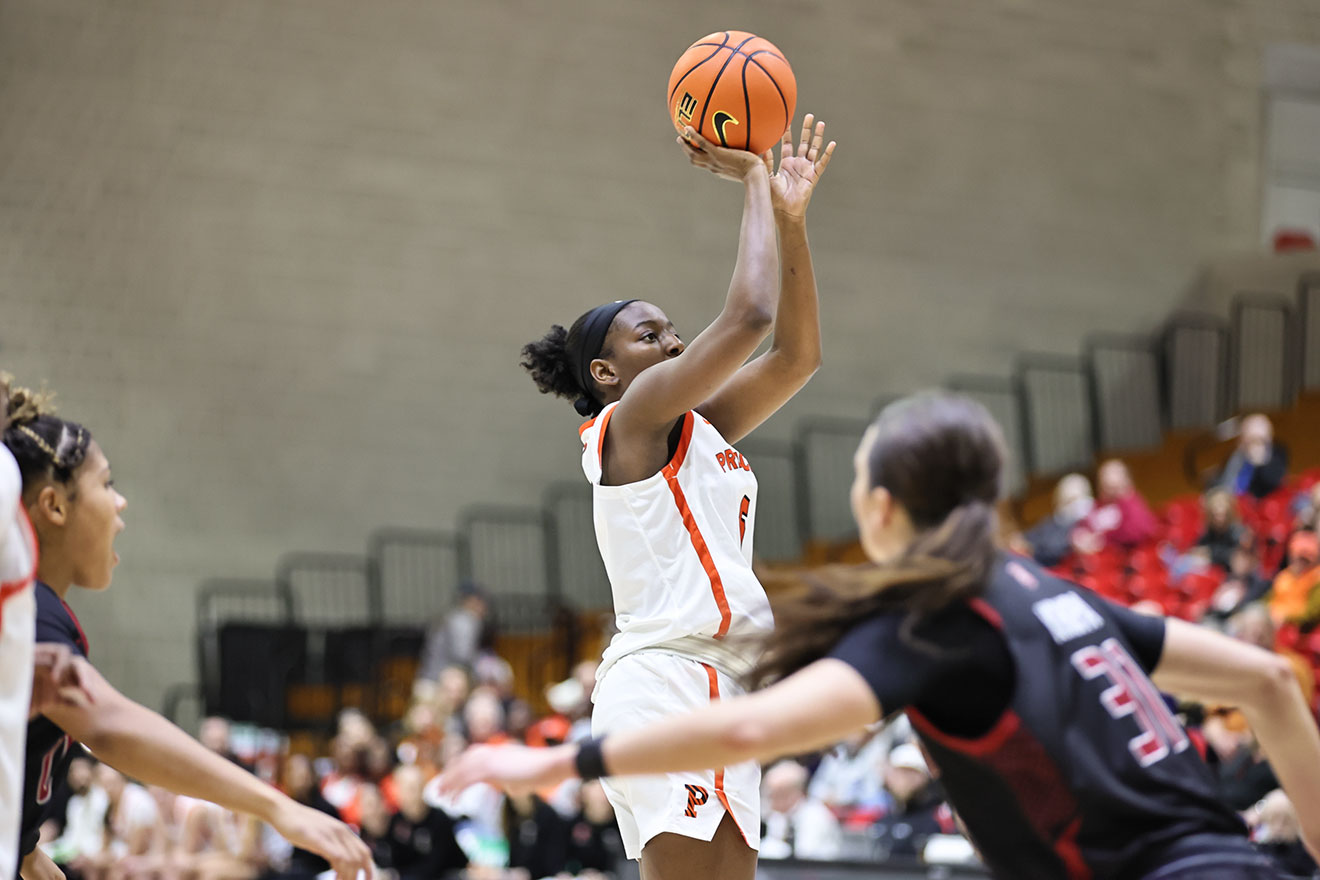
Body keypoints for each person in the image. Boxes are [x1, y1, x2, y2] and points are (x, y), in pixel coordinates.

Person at [441, 391, 1320, 880]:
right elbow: (1272, 686)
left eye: (859, 471)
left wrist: (563, 761)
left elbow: (751, 727)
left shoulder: (935, 624)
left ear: (882, 506)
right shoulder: (1052, 593)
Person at [515, 116, 835, 879]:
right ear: (605, 374)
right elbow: (752, 317)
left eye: (672, 329)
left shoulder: (701, 426)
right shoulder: (631, 426)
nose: (673, 342)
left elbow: (797, 354)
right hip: (660, 680)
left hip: (730, 682)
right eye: (648, 335)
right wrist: (755, 180)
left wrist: (791, 223)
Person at [1, 379, 371, 880]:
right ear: (55, 506)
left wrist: (26, 853)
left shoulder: (39, 614)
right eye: (107, 484)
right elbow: (109, 726)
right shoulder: (32, 610)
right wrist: (279, 808)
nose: (121, 503)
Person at [758, 760, 841, 860]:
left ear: (789, 795)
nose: (769, 802)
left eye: (772, 796)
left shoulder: (815, 817)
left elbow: (807, 856)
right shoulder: (778, 817)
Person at [1072, 459, 1159, 554]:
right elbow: (1084, 527)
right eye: (1105, 486)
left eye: (1114, 487)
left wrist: (1102, 539)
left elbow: (1138, 533)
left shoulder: (1133, 505)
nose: (1109, 491)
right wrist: (1080, 537)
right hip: (1094, 562)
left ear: (1126, 482)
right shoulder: (1097, 505)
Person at [1023, 473, 1093, 567]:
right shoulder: (1051, 521)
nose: (1075, 504)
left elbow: (1054, 549)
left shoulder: (1087, 522)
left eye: (1079, 498)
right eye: (1069, 500)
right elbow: (1027, 538)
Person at [1218, 415, 1290, 500]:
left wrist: (1260, 462)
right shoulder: (1237, 454)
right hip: (1233, 502)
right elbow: (1225, 480)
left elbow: (1273, 481)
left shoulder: (1278, 452)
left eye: (1257, 440)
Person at [1266, 531, 1320, 625]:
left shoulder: (1317, 579)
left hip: (1295, 629)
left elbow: (1311, 612)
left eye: (1306, 559)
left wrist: (1286, 616)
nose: (1301, 562)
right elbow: (1268, 599)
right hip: (1272, 620)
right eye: (1299, 556)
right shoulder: (1284, 576)